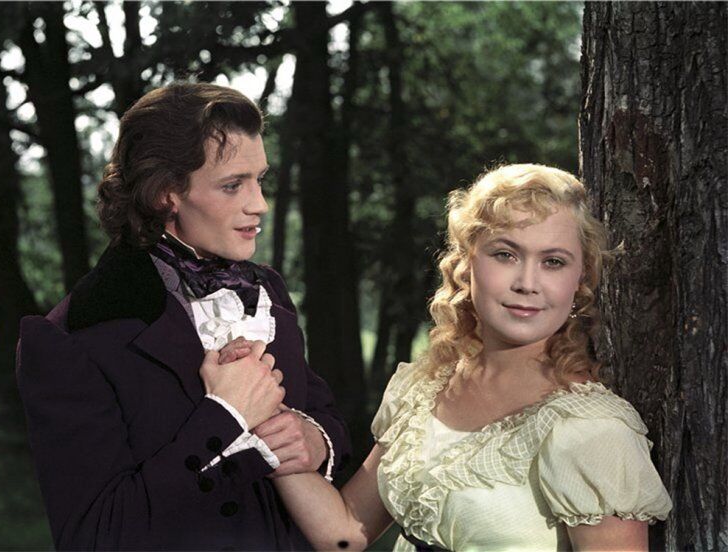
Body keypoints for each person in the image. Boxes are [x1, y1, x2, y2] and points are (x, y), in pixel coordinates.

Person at [245, 164, 672, 551]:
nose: (527, 282)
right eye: (505, 254)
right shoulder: (422, 390)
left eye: (553, 262)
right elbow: (345, 534)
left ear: (580, 281)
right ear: (467, 263)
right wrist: (266, 417)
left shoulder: (592, 431)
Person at [16, 82, 350, 550]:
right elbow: (94, 537)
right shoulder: (74, 337)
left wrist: (314, 440)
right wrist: (226, 417)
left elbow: (325, 415)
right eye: (233, 185)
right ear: (165, 193)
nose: (259, 203)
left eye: (260, 180)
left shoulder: (267, 292)